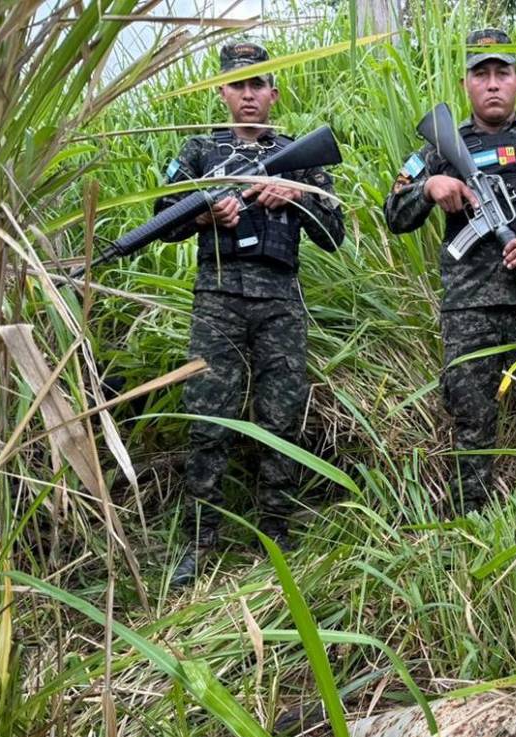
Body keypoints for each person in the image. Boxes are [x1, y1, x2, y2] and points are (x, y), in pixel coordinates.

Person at [384, 28, 516, 516]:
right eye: (482, 74)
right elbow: (394, 214)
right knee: (470, 421)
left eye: (502, 73)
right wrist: (430, 187)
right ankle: (468, 527)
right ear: (467, 85)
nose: (493, 83)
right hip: (467, 310)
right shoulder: (442, 148)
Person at [158, 40, 346, 587]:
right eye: (238, 85)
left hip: (280, 304)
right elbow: (159, 221)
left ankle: (277, 532)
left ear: (274, 93)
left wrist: (297, 196)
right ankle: (199, 541)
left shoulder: (298, 153)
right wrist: (200, 215)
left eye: (258, 85)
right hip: (216, 302)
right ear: (222, 91)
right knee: (207, 418)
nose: (248, 95)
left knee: (281, 418)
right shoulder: (199, 152)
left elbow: (334, 235)